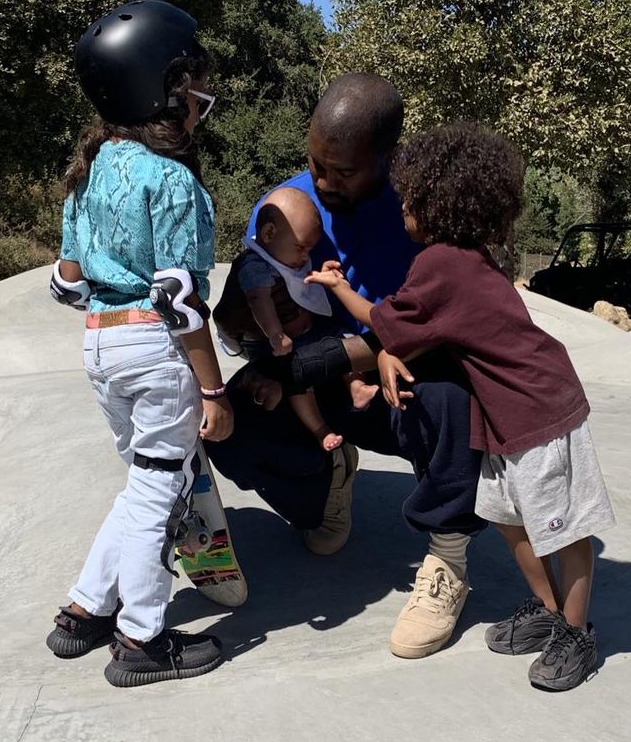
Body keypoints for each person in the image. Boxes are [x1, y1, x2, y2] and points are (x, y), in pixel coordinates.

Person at [306, 122, 617, 691]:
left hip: (537, 410)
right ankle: (547, 610)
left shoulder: (442, 264)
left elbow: (386, 323)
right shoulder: (472, 257)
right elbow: (416, 330)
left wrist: (336, 288)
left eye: (412, 198)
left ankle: (577, 633)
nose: (402, 208)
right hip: (505, 413)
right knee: (505, 517)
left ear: (439, 203)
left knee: (562, 529)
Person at [205, 74, 487, 659]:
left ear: (387, 159)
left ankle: (447, 560)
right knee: (229, 426)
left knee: (456, 395)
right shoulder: (285, 209)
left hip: (390, 384)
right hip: (314, 386)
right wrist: (248, 334)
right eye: (315, 163)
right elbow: (239, 323)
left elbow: (436, 325)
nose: (324, 181)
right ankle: (326, 479)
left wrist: (333, 358)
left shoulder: (420, 214)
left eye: (343, 171)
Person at [44, 0, 228, 687]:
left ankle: (85, 608)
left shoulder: (87, 174)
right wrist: (212, 387)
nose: (201, 98)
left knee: (145, 481)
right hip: (155, 347)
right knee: (161, 492)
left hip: (99, 343)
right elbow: (180, 300)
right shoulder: (173, 181)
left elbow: (65, 285)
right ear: (164, 89)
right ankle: (141, 638)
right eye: (192, 84)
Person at [213, 190, 377, 452]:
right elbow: (259, 300)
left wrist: (323, 275)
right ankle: (320, 431)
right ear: (268, 234)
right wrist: (276, 334)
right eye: (301, 248)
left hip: (310, 333)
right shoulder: (255, 264)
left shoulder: (286, 254)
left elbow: (303, 284)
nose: (304, 257)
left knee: (345, 337)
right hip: (279, 344)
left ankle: (357, 386)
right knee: (298, 381)